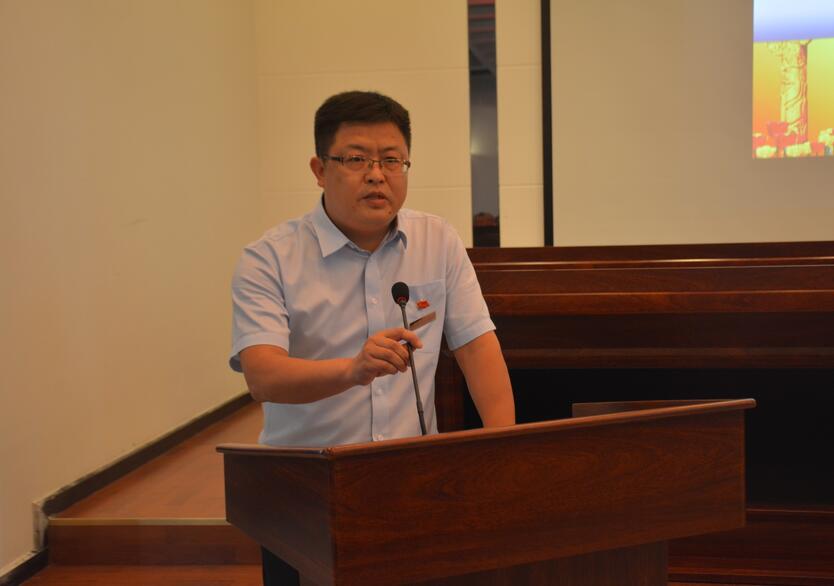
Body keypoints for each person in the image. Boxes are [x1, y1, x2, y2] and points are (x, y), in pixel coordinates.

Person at [229, 90, 515, 585]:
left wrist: (503, 453)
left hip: (412, 478)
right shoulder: (269, 259)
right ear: (320, 169)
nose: (377, 174)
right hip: (303, 488)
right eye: (357, 159)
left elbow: (476, 346)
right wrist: (352, 370)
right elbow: (262, 376)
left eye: (392, 160)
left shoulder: (437, 241)